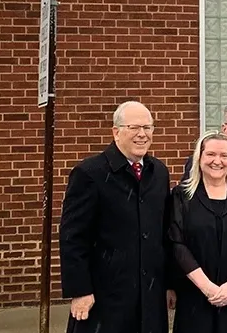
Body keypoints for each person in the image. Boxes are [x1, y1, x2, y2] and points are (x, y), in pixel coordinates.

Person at [59, 101, 174, 333]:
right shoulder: (90, 174)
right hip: (106, 297)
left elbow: (165, 233)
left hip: (149, 297)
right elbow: (73, 237)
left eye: (148, 128)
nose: (142, 135)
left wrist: (170, 284)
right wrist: (80, 290)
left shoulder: (158, 172)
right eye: (134, 128)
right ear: (116, 132)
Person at [168, 131, 227, 333]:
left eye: (224, 155)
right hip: (195, 297)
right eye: (211, 154)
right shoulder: (182, 196)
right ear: (199, 158)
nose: (217, 161)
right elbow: (176, 243)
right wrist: (208, 288)